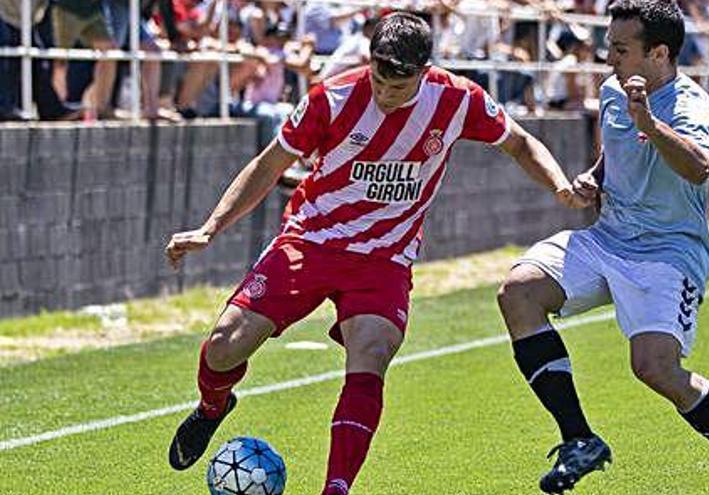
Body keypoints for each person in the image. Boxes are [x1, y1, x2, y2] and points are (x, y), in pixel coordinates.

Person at [164, 12, 587, 495]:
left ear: (425, 72)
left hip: (384, 261)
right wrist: (210, 228)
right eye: (380, 82)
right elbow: (268, 165)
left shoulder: (458, 100)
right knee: (223, 345)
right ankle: (213, 407)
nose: (386, 95)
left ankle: (337, 488)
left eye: (399, 87)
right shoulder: (331, 97)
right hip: (310, 241)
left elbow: (519, 142)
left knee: (371, 353)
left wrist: (559, 186)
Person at [495, 1, 709, 494]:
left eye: (620, 49)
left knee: (655, 369)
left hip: (668, 252)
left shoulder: (691, 104)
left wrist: (651, 124)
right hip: (608, 238)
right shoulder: (614, 90)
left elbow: (699, 167)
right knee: (518, 291)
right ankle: (579, 440)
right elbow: (611, 156)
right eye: (609, 46)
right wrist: (593, 179)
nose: (608, 58)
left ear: (658, 53)